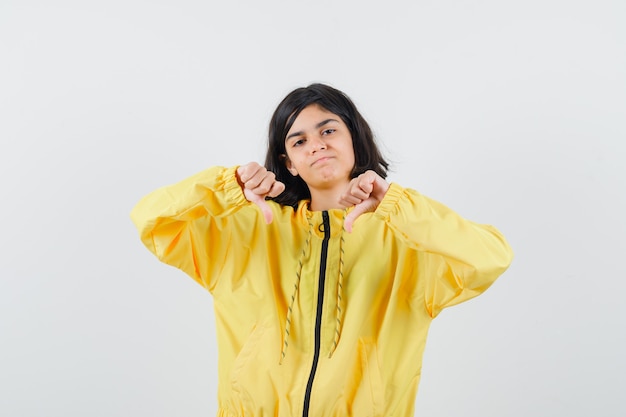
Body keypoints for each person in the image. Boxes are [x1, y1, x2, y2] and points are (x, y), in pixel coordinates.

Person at [130, 83, 513, 416]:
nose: (317, 145)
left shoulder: (406, 242)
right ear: (288, 163)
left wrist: (397, 206)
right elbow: (150, 220)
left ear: (354, 140)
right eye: (299, 140)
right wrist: (226, 187)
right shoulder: (247, 232)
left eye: (328, 130)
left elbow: (490, 257)